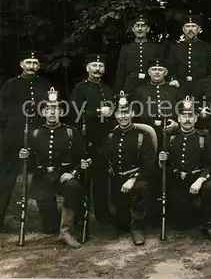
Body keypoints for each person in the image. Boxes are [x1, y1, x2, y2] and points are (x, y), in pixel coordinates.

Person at [19, 87, 86, 248]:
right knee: (49, 227)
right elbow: (32, 161)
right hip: (42, 177)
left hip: (62, 175)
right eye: (48, 109)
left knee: (73, 188)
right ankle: (57, 227)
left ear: (61, 112)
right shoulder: (35, 133)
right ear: (43, 113)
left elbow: (81, 158)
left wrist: (73, 172)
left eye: (55, 109)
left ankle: (66, 231)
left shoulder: (71, 132)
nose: (51, 113)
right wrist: (25, 156)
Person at [158, 96, 211, 243]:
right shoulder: (170, 137)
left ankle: (208, 225)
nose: (187, 119)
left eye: (191, 116)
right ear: (179, 118)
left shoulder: (203, 137)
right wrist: (161, 160)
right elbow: (166, 167)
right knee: (180, 225)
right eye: (184, 115)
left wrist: (200, 180)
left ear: (196, 119)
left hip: (196, 181)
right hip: (178, 183)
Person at [0, 50, 52, 231]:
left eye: (35, 63)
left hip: (39, 138)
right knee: (6, 180)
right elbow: (2, 113)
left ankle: (50, 224)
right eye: (28, 62)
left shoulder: (45, 85)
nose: (32, 66)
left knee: (43, 177)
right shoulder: (10, 85)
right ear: (21, 64)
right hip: (14, 138)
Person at [98, 90, 156, 245]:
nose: (123, 116)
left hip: (137, 178)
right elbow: (104, 158)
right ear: (115, 115)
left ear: (132, 113)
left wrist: (133, 179)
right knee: (120, 221)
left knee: (140, 188)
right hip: (117, 178)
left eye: (126, 112)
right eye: (119, 113)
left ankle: (138, 228)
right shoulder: (111, 135)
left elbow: (149, 163)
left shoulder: (142, 135)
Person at [130, 57, 182, 224]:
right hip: (147, 137)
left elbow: (185, 112)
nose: (157, 72)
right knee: (149, 171)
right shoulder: (140, 91)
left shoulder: (175, 92)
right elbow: (133, 116)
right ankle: (150, 214)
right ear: (148, 72)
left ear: (166, 72)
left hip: (170, 136)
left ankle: (171, 212)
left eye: (160, 70)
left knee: (169, 171)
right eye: (154, 70)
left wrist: (177, 123)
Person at [69, 54, 115, 224]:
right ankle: (81, 216)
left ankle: (103, 214)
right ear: (87, 68)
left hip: (104, 139)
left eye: (101, 66)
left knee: (102, 179)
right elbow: (74, 112)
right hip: (86, 138)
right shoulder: (81, 88)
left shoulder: (107, 89)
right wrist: (97, 112)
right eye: (94, 65)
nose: (98, 69)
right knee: (85, 179)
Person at [114, 14, 166, 93]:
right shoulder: (126, 48)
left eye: (143, 26)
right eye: (137, 26)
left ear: (148, 29)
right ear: (133, 29)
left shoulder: (156, 48)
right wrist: (118, 91)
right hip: (130, 86)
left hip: (149, 85)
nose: (140, 29)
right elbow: (121, 72)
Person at [168, 15, 211, 95]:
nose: (190, 29)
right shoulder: (176, 48)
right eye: (187, 26)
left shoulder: (206, 48)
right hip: (179, 85)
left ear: (199, 29)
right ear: (183, 29)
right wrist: (174, 79)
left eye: (193, 26)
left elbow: (210, 68)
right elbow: (171, 67)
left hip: (201, 86)